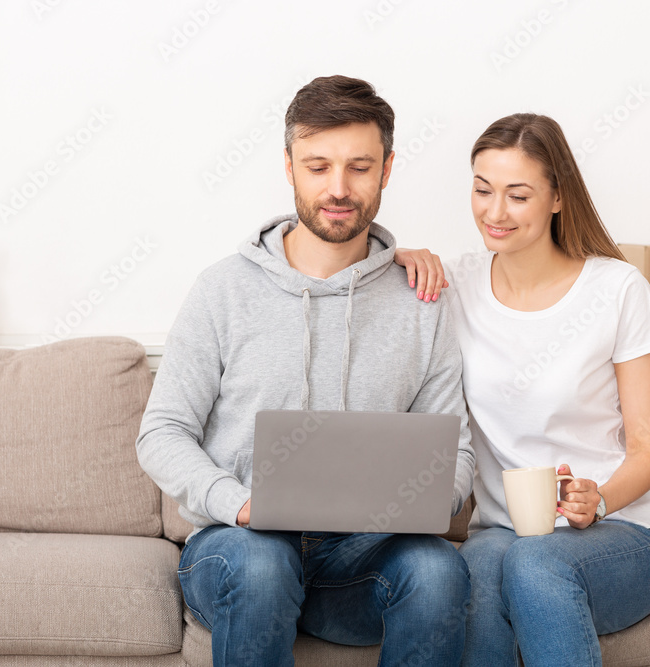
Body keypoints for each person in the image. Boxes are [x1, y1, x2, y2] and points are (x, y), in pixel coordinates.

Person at [136, 75, 475, 667]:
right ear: (289, 167)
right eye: (318, 166)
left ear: (387, 170)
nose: (338, 189)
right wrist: (239, 504)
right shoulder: (223, 290)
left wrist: (425, 500)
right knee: (263, 563)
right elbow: (161, 433)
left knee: (437, 568)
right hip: (238, 551)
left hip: (363, 556)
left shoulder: (422, 298)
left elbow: (458, 451)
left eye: (359, 167)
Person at [396, 113, 650, 666]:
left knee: (535, 563)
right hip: (502, 532)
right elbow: (360, 278)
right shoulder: (454, 288)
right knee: (471, 573)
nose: (494, 212)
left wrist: (598, 500)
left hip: (621, 531)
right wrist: (397, 255)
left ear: (556, 197)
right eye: (482, 190)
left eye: (517, 196)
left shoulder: (618, 289)